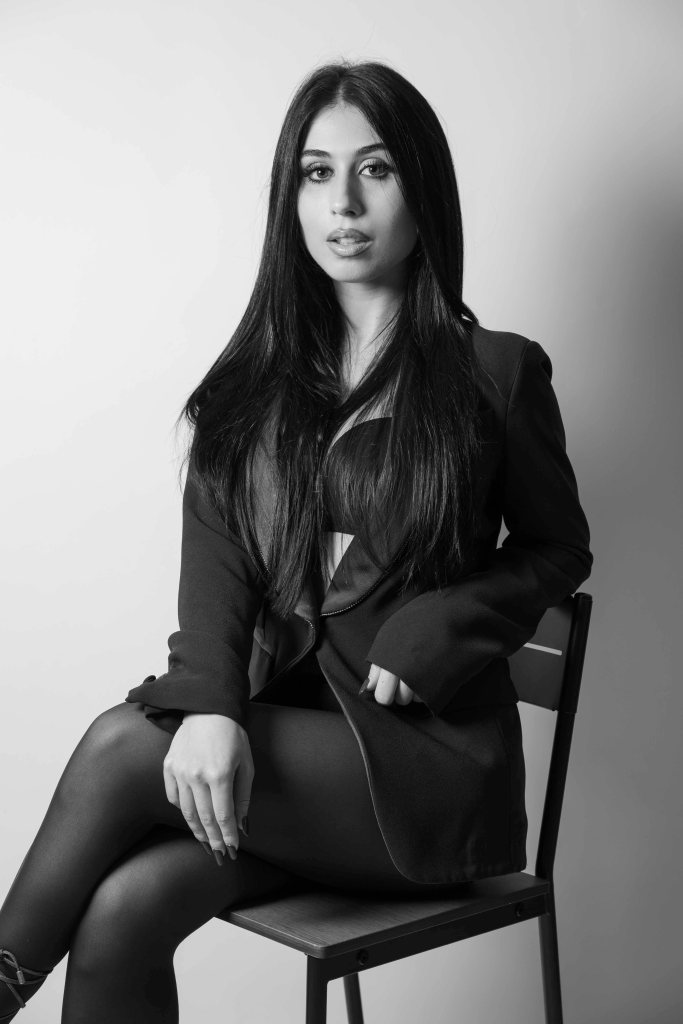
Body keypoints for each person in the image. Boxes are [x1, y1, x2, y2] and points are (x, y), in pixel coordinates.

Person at [0, 59, 592, 1022]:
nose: (343, 203)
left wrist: (444, 622)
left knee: (120, 747)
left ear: (423, 190)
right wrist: (211, 707)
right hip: (291, 759)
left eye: (375, 170)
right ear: (291, 197)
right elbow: (217, 576)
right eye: (317, 174)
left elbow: (558, 548)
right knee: (123, 910)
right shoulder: (256, 383)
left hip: (425, 773)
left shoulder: (495, 373)